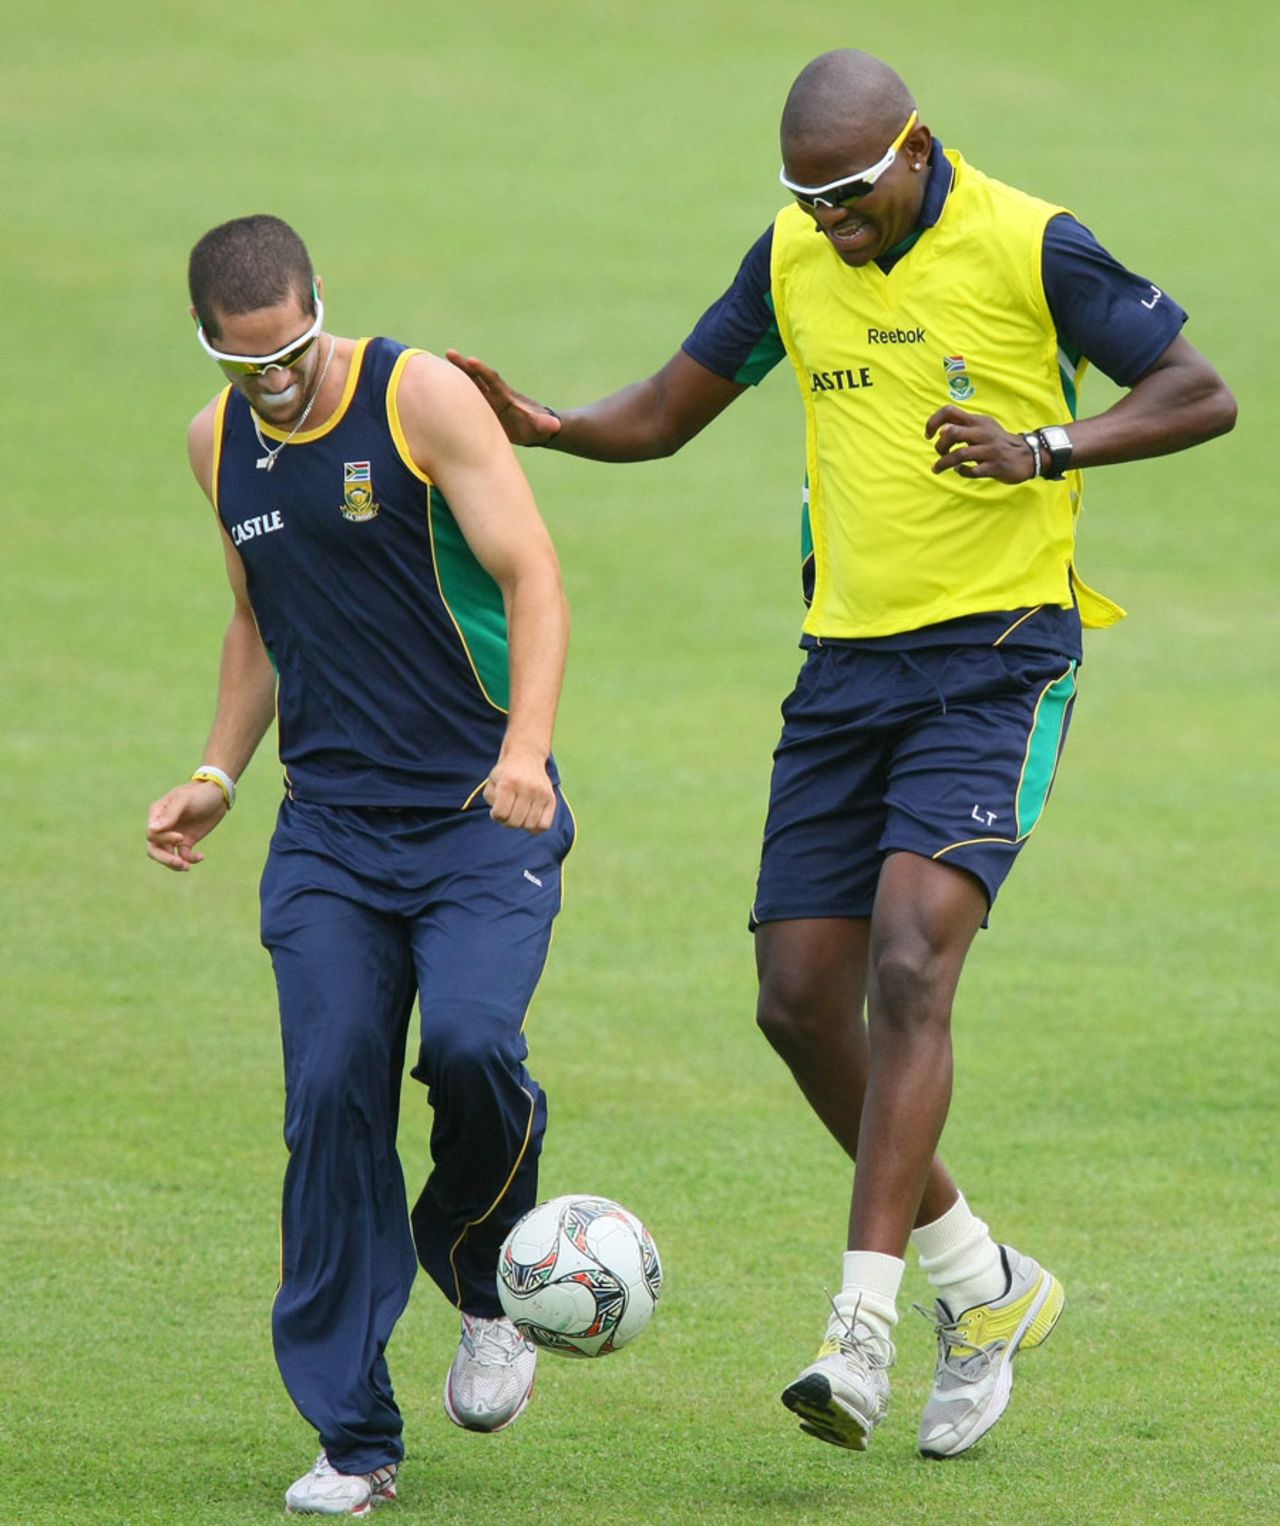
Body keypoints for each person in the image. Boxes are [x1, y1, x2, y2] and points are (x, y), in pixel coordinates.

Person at [447, 49, 1236, 1460]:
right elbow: (673, 409)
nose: (832, 223)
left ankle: (860, 1332)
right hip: (845, 667)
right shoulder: (793, 257)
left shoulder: (1031, 242)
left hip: (996, 664)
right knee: (799, 1002)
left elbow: (1198, 389)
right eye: (809, 199)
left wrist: (1046, 444)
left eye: (854, 197)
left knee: (910, 961)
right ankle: (980, 1282)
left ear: (917, 151)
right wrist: (546, 426)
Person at [147, 215, 575, 1515]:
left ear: (321, 309)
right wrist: (218, 774)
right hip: (328, 834)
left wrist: (528, 752)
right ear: (211, 351)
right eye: (243, 368)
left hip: (475, 817)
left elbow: (535, 575)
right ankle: (355, 1437)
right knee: (330, 1097)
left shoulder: (417, 398)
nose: (272, 387)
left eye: (292, 356)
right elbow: (258, 623)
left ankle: (484, 1261)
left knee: (473, 1047)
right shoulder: (218, 444)